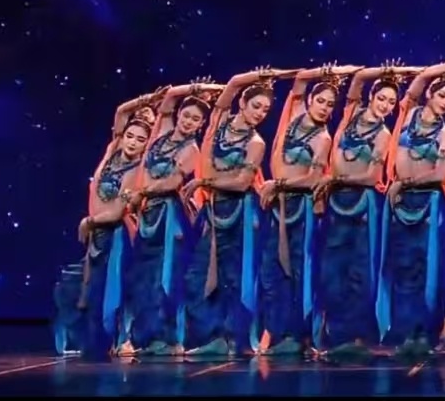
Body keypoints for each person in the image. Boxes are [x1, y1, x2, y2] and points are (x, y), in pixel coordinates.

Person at [181, 67, 295, 357]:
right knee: (199, 275)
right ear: (242, 103)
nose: (260, 113)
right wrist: (258, 77)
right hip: (213, 210)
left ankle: (233, 339)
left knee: (234, 277)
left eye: (266, 110)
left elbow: (242, 182)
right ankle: (212, 337)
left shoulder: (256, 143)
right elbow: (232, 84)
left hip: (240, 211)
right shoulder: (218, 123)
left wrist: (204, 182)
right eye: (256, 106)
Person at [314, 61, 418, 358]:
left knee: (358, 273)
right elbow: (359, 77)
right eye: (381, 98)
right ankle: (336, 335)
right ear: (371, 96)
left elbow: (372, 177)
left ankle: (356, 338)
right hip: (336, 203)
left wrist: (337, 179)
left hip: (362, 205)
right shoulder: (350, 115)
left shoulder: (384, 135)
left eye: (391, 102)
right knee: (332, 272)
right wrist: (387, 73)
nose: (385, 105)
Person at [377, 57, 445, 358]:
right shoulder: (408, 116)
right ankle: (402, 331)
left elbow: (438, 173)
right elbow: (420, 80)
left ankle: (423, 333)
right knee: (402, 268)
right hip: (401, 204)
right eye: (442, 95)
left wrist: (405, 183)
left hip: (428, 203)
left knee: (425, 269)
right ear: (431, 94)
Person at [54, 88, 162, 358]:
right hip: (99, 233)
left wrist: (88, 221)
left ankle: (122, 339)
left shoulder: (138, 170)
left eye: (141, 139)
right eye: (130, 136)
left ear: (147, 144)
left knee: (116, 286)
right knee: (87, 287)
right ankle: (92, 338)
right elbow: (121, 112)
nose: (133, 142)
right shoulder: (112, 151)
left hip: (118, 234)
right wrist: (146, 101)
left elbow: (115, 213)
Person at [256, 64, 352, 356]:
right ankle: (275, 332)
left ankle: (296, 336)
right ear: (309, 100)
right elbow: (299, 80)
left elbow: (312, 179)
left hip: (301, 208)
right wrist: (325, 71)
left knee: (298, 272)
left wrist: (279, 184)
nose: (324, 107)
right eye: (320, 100)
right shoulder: (293, 116)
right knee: (272, 272)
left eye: (330, 104)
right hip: (277, 207)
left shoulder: (323, 138)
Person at [123, 80, 223, 357]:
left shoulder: (191, 150)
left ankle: (166, 338)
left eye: (195, 119)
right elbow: (167, 99)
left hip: (169, 215)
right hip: (149, 212)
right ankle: (145, 338)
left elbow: (170, 183)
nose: (189, 122)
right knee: (143, 278)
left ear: (201, 124)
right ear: (178, 114)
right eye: (186, 115)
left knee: (163, 277)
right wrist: (194, 89)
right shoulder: (162, 133)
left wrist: (140, 193)